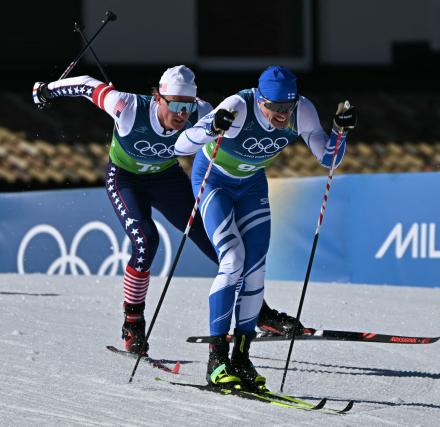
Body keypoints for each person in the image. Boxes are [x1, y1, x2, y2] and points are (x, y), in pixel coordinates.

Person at [31, 65, 304, 356]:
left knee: (219, 246)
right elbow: (87, 85)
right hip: (125, 179)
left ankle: (260, 312)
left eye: (187, 106)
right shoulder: (127, 106)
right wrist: (45, 90)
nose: (181, 114)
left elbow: (223, 140)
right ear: (157, 97)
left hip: (167, 179)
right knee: (146, 241)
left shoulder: (202, 112)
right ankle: (133, 324)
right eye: (174, 104)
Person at [174, 65, 358, 391]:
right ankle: (217, 360)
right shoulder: (237, 106)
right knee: (232, 260)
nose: (281, 116)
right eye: (274, 108)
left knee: (256, 267)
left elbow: (327, 159)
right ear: (260, 100)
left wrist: (340, 133)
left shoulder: (302, 111)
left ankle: (241, 359)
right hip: (213, 179)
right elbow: (181, 147)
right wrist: (211, 129)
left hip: (251, 185)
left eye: (286, 108)